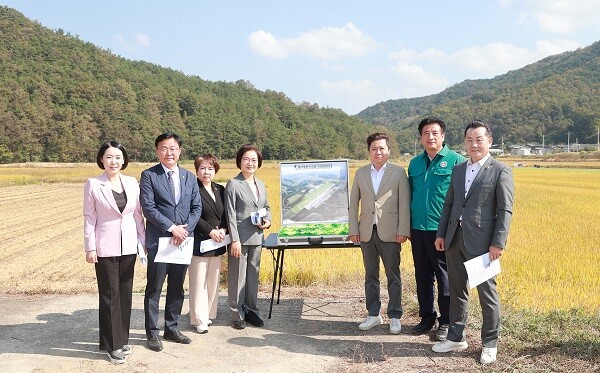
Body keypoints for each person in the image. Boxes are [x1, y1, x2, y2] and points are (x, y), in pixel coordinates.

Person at [431, 120, 514, 365]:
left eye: (479, 140)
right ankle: (456, 337)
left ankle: (490, 343)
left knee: (487, 295)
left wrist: (498, 243)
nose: (474, 145)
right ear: (464, 142)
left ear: (490, 141)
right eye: (469, 140)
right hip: (455, 240)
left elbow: (505, 209)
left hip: (482, 244)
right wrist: (441, 234)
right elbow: (449, 204)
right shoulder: (458, 169)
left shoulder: (500, 170)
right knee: (457, 291)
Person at [83, 141, 146, 364]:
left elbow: (138, 215)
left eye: (118, 157)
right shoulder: (93, 184)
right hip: (105, 246)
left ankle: (121, 338)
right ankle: (112, 345)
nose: (114, 161)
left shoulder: (131, 183)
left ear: (124, 160)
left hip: (128, 246)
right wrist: (90, 247)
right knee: (110, 295)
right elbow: (90, 218)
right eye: (109, 157)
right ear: (101, 159)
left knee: (126, 293)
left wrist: (143, 242)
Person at [140, 132, 202, 352]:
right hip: (159, 241)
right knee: (154, 288)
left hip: (183, 241)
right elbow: (149, 208)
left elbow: (196, 208)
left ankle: (172, 328)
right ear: (157, 151)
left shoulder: (189, 177)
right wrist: (172, 228)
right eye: (164, 148)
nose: (169, 152)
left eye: (173, 148)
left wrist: (185, 230)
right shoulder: (149, 175)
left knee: (177, 287)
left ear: (179, 151)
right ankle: (152, 332)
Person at [408, 117, 465, 340]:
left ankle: (447, 322)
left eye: (434, 133)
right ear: (421, 137)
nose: (430, 137)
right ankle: (427, 317)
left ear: (443, 136)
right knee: (422, 276)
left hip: (442, 231)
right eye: (425, 133)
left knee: (445, 278)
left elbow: (462, 198)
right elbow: (410, 195)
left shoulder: (456, 162)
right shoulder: (414, 164)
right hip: (417, 229)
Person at [349, 132, 411, 335]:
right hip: (367, 231)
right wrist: (354, 229)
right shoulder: (361, 173)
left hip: (391, 233)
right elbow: (353, 203)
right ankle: (373, 314)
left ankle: (394, 316)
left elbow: (404, 204)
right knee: (370, 275)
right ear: (368, 152)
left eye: (382, 148)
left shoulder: (399, 172)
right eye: (374, 149)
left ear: (388, 150)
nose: (378, 152)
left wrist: (403, 230)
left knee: (393, 275)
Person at [225, 144, 272, 329]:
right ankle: (237, 313)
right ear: (239, 161)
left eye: (254, 160)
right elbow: (230, 213)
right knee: (238, 276)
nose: (250, 163)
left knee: (253, 275)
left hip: (257, 236)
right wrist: (234, 239)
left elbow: (266, 208)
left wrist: (267, 221)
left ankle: (252, 311)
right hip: (240, 238)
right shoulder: (233, 184)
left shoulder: (260, 184)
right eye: (246, 159)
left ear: (258, 163)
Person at [189, 154, 227, 334]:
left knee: (213, 280)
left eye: (210, 168)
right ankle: (199, 319)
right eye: (202, 168)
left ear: (215, 170)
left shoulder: (220, 189)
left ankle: (209, 314)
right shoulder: (192, 190)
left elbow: (226, 214)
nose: (206, 172)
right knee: (198, 282)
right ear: (196, 170)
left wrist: (224, 231)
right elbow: (192, 216)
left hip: (218, 242)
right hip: (200, 242)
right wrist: (210, 231)